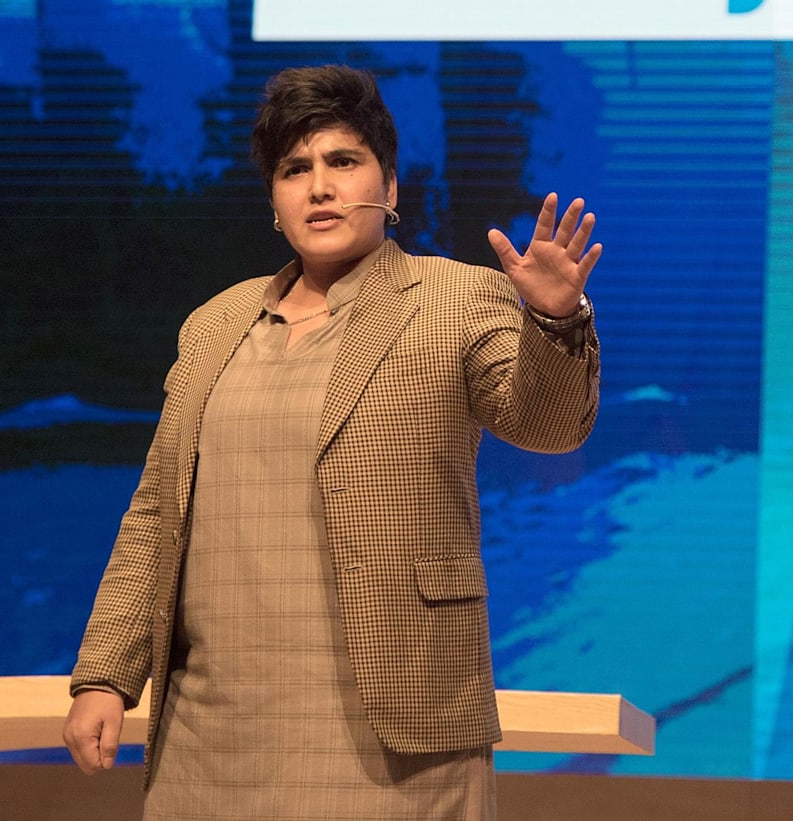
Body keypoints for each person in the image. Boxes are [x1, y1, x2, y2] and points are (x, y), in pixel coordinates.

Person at [62, 64, 601, 820]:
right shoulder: (214, 323)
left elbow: (550, 426)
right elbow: (157, 511)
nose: (319, 187)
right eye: (295, 170)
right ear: (274, 201)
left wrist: (552, 320)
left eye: (343, 162)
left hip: (394, 734)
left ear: (391, 185)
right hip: (211, 730)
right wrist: (105, 675)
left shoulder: (455, 297)